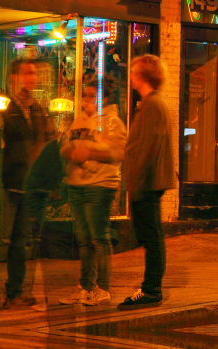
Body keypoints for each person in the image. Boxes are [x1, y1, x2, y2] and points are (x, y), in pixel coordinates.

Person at [59, 75, 127, 306]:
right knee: (84, 240)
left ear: (104, 98)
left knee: (99, 238)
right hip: (76, 184)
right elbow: (66, 144)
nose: (86, 100)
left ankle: (103, 287)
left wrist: (89, 154)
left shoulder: (112, 121)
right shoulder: (79, 120)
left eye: (92, 96)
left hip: (99, 185)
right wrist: (69, 153)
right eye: (85, 96)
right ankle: (86, 286)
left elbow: (118, 153)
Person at [118, 55, 174, 309]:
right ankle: (151, 288)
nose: (130, 75)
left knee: (151, 238)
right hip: (147, 183)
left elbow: (147, 149)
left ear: (144, 75)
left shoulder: (153, 105)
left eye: (133, 71)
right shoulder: (152, 103)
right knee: (151, 237)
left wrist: (136, 185)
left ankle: (151, 291)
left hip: (147, 184)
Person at [2, 58, 53, 309]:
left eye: (34, 74)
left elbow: (44, 142)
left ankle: (15, 290)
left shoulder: (36, 108)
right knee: (2, 240)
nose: (32, 79)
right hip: (7, 183)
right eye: (28, 74)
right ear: (14, 78)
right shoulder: (4, 107)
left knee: (22, 240)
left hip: (30, 185)